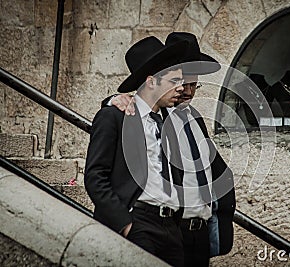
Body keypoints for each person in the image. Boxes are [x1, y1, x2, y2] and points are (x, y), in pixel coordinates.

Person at [104, 32, 236, 267]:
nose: (187, 90)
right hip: (170, 227)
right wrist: (112, 99)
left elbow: (211, 168)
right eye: (181, 82)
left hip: (200, 233)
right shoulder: (155, 114)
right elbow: (132, 109)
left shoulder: (195, 120)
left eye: (194, 84)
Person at [84, 36, 188, 267]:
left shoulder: (170, 121)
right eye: (174, 81)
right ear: (151, 82)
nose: (181, 88)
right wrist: (125, 223)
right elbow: (94, 176)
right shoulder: (114, 117)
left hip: (171, 227)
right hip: (137, 222)